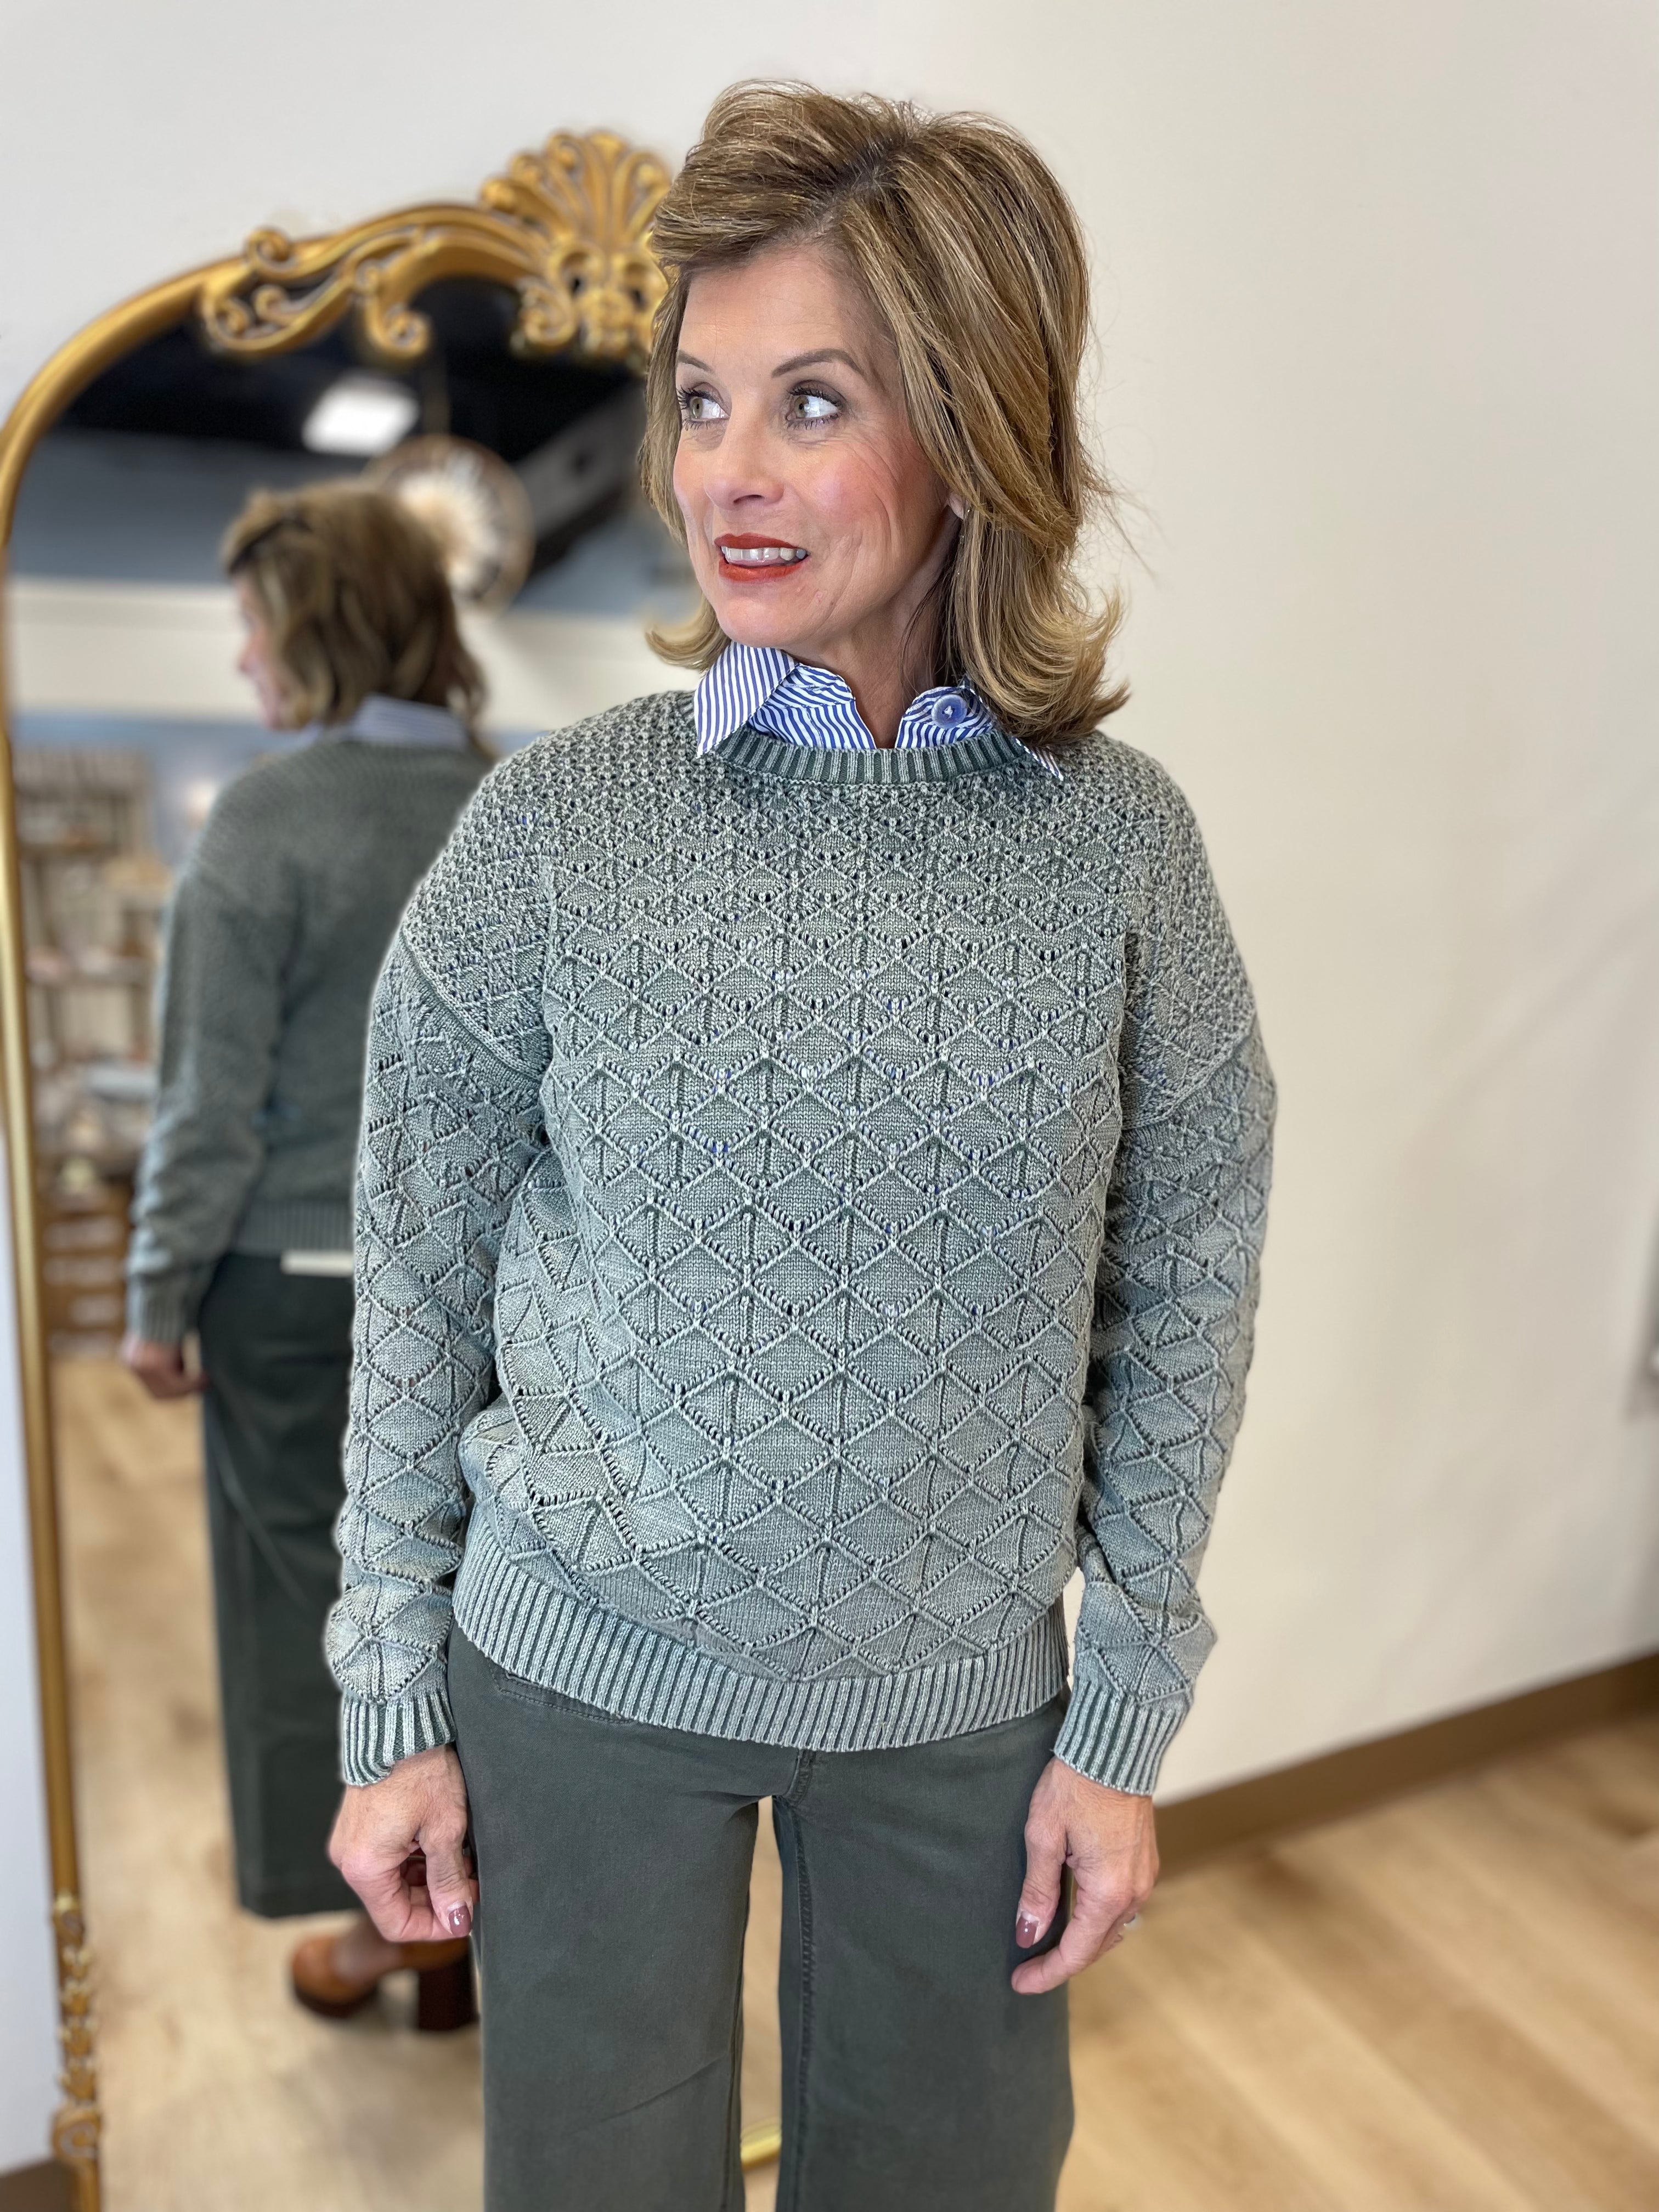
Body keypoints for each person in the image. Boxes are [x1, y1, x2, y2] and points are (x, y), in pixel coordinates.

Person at [326, 82, 1275, 2210]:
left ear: (974, 429)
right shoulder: (557, 826)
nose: (725, 473)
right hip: (575, 1677)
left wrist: (1124, 1712)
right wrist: (390, 1690)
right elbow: (418, 1266)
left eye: (813, 403)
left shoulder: (1122, 855)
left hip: (961, 1712)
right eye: (700, 401)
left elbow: (1191, 1278)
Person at [121, 484, 490, 2028]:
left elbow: (207, 1099)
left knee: (311, 1614)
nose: (241, 659)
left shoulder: (267, 820)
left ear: (316, 627)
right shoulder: (515, 803)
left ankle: (384, 1924)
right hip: (486, 1294)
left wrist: (157, 1294)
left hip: (295, 1285)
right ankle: (472, 1912)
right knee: (476, 1607)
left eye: (253, 626)